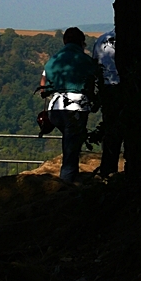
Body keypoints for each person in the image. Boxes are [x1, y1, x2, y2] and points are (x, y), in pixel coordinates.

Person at [42, 27, 98, 183]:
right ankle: (66, 183)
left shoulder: (54, 59)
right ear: (82, 42)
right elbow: (93, 81)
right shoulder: (84, 60)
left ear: (64, 41)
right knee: (71, 148)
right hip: (76, 107)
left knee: (68, 142)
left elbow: (43, 84)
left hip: (55, 108)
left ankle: (67, 178)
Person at [91, 29, 125, 176]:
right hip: (127, 87)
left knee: (111, 131)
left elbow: (94, 66)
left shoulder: (101, 40)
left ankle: (108, 169)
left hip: (107, 89)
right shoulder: (137, 39)